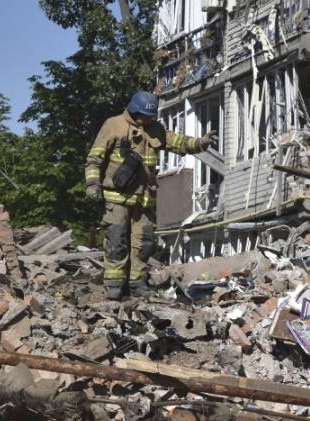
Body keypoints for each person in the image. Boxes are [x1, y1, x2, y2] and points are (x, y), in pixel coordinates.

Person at [85, 91, 217, 300]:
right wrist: (93, 184)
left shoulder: (155, 129)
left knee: (144, 242)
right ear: (133, 110)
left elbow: (178, 142)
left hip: (144, 198)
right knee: (116, 240)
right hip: (116, 197)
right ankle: (114, 284)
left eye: (150, 117)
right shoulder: (114, 125)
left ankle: (137, 283)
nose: (146, 120)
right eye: (143, 116)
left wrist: (200, 143)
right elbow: (94, 158)